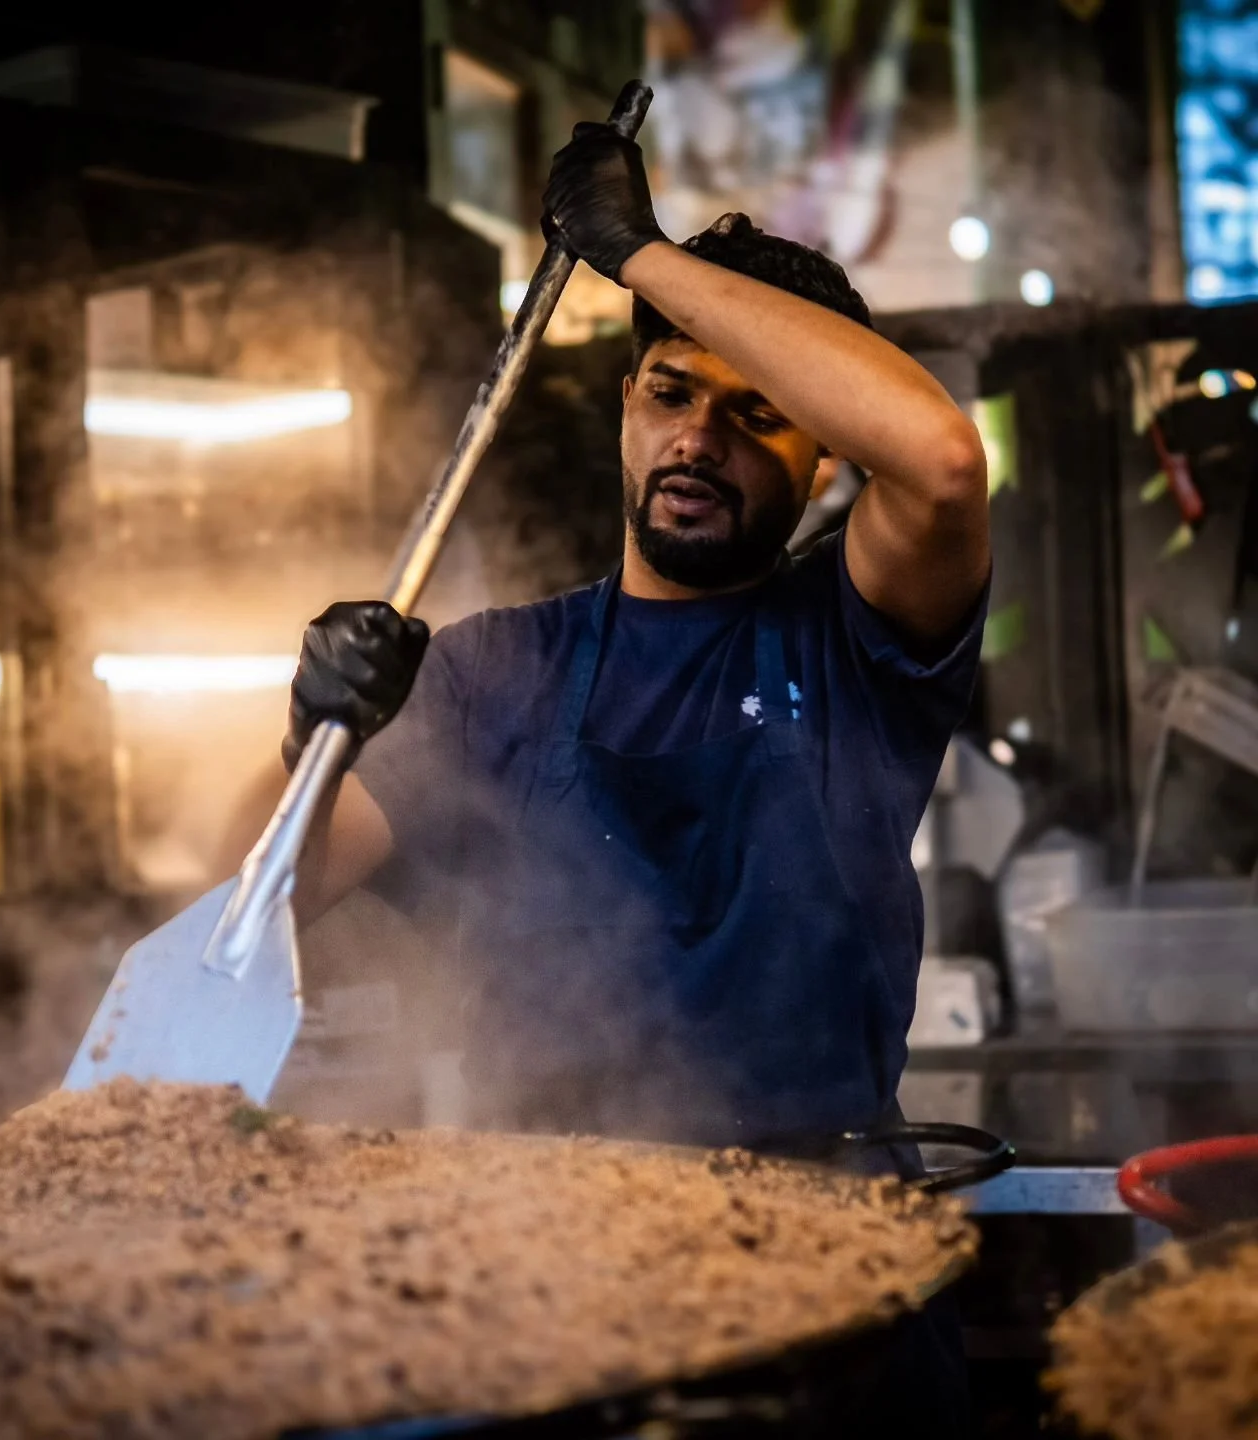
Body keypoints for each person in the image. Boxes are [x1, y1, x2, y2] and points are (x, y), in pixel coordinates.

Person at [281, 121, 990, 1155]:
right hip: (560, 1264)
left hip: (834, 1245)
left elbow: (943, 463)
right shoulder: (492, 669)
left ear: (826, 460)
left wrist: (639, 255)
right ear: (627, 410)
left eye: (759, 414)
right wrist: (312, 744)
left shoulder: (849, 635)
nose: (699, 438)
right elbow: (273, 904)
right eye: (671, 393)